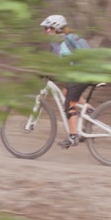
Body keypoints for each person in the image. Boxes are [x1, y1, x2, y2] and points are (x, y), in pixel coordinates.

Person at [40, 14, 93, 148]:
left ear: (55, 28)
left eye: (47, 28)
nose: (46, 31)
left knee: (69, 104)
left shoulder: (58, 40)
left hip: (81, 73)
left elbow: (56, 62)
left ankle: (73, 136)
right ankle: (91, 112)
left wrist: (45, 72)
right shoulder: (70, 37)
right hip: (89, 71)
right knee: (66, 92)